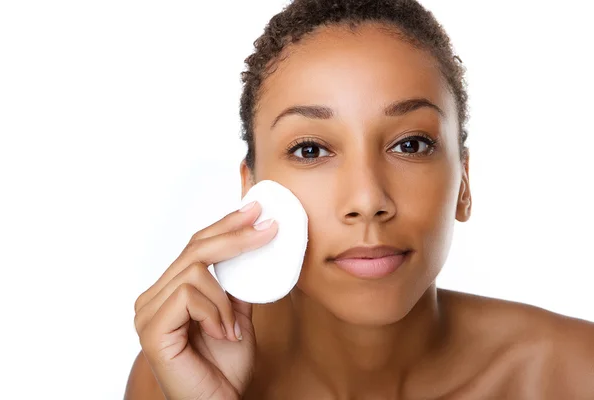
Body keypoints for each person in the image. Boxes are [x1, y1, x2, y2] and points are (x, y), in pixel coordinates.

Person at [125, 0, 594, 398]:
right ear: (254, 193)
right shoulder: (176, 375)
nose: (368, 199)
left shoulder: (575, 374)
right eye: (311, 150)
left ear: (464, 185)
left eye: (410, 144)